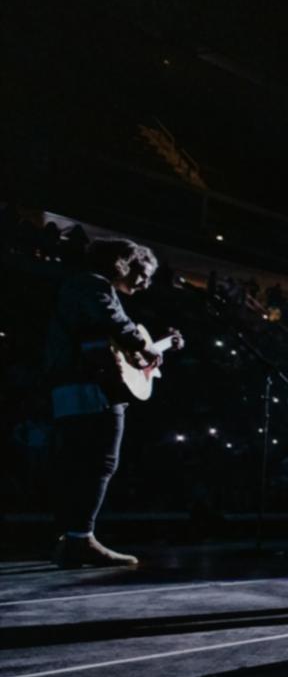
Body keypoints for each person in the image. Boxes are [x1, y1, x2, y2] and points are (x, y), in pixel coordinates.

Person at [46, 237, 177, 568]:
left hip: (75, 382)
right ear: (124, 263)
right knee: (100, 462)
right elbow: (112, 320)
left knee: (79, 464)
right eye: (142, 273)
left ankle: (72, 538)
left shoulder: (81, 285)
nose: (145, 283)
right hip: (90, 386)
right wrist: (143, 346)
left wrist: (147, 349)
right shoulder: (94, 285)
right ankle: (80, 540)